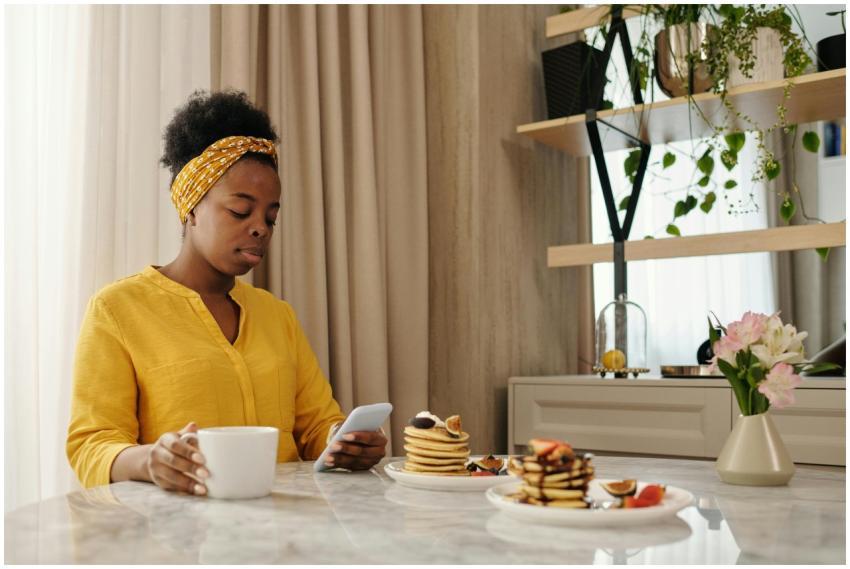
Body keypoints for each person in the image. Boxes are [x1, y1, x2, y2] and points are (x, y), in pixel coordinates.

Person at [67, 90, 387, 495]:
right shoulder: (117, 310)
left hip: (287, 536)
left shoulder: (277, 315)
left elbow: (317, 426)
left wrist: (344, 443)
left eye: (271, 217)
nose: (260, 228)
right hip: (178, 544)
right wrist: (151, 460)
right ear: (192, 207)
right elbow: (91, 445)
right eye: (240, 211)